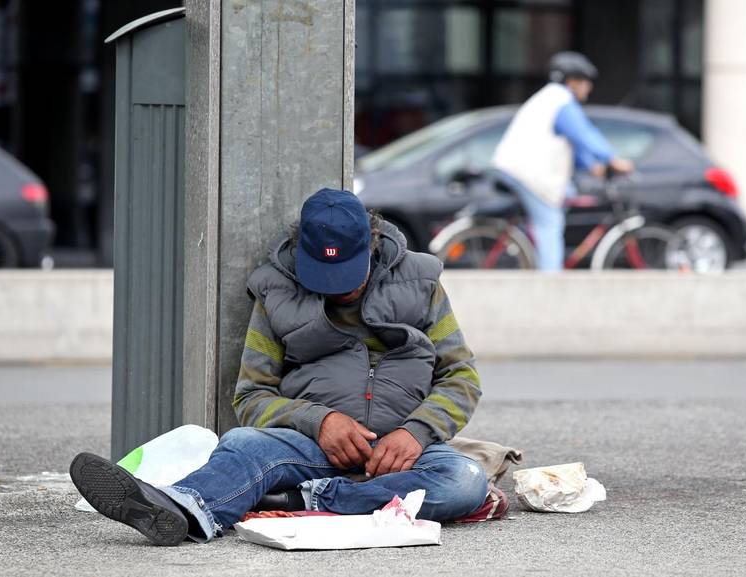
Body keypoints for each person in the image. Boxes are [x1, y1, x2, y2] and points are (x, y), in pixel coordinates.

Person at [69, 188, 487, 546]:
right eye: (324, 275)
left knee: (465, 479)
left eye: (347, 275)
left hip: (402, 457)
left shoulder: (422, 284)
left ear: (372, 244)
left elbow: (461, 377)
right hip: (312, 449)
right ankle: (182, 508)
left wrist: (416, 432)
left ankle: (303, 499)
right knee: (245, 443)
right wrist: (319, 420)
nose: (337, 288)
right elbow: (251, 396)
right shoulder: (276, 292)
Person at [492, 51, 634, 271]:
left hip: (518, 168)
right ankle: (551, 280)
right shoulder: (561, 101)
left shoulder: (549, 98)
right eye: (586, 82)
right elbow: (584, 134)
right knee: (550, 221)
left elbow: (568, 142)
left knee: (566, 194)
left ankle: (532, 250)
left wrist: (590, 165)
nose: (589, 88)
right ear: (573, 82)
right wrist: (612, 159)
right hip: (528, 173)